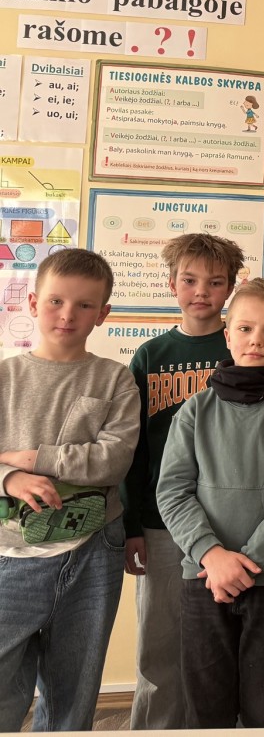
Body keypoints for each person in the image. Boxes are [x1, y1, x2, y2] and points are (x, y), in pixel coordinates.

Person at [157, 278, 264, 728]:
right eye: (246, 329)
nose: (256, 340)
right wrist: (212, 556)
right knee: (206, 706)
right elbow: (172, 491)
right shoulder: (195, 410)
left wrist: (247, 563)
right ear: (227, 334)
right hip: (203, 576)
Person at [0, 249, 140, 732]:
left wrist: (32, 458)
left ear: (103, 314)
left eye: (84, 305)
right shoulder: (5, 377)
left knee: (74, 689)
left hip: (93, 553)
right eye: (56, 301)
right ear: (33, 303)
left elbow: (112, 460)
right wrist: (9, 477)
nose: (67, 314)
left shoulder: (115, 379)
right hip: (11, 555)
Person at [122, 232, 244, 730]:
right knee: (160, 644)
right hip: (161, 523)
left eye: (215, 282)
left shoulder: (243, 346)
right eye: (190, 280)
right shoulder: (151, 355)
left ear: (230, 288)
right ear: (171, 284)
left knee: (224, 644)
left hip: (231, 522)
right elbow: (133, 449)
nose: (202, 292)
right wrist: (131, 525)